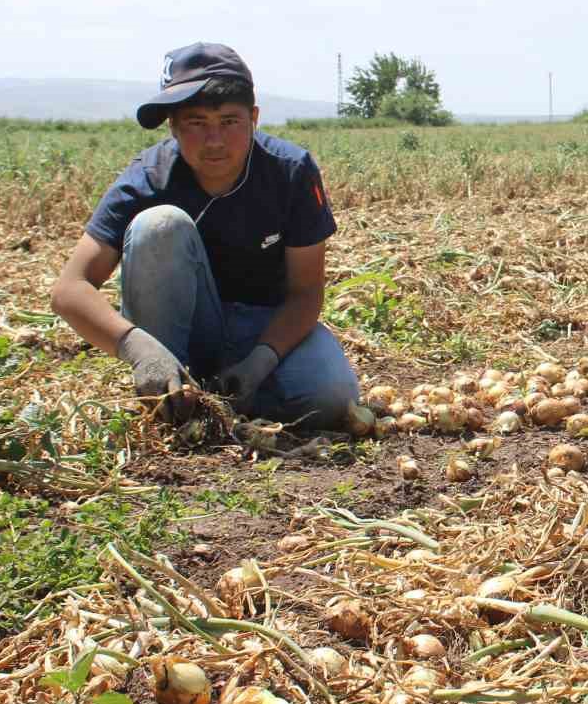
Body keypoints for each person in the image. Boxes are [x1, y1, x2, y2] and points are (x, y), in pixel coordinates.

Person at [50, 43, 359, 429]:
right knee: (159, 225)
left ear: (254, 118)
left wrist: (261, 360)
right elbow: (69, 288)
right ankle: (172, 386)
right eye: (196, 123)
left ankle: (221, 401)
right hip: (180, 334)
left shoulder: (289, 171)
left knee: (332, 398)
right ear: (173, 126)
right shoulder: (148, 178)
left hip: (263, 327)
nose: (215, 141)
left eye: (230, 121)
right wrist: (139, 349)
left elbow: (306, 293)